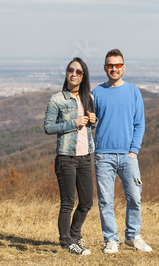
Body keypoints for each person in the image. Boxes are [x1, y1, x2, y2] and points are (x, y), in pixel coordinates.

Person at [92, 49, 152, 253]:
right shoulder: (97, 92)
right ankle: (110, 240)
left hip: (128, 155)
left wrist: (133, 151)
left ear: (124, 67)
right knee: (105, 200)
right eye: (110, 65)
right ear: (105, 68)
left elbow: (139, 123)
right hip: (103, 155)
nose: (114, 69)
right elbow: (90, 121)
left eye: (118, 65)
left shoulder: (134, 91)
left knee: (135, 197)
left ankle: (133, 236)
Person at [44, 57, 97, 256]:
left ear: (83, 77)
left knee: (86, 202)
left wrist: (93, 120)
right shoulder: (57, 99)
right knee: (68, 202)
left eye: (78, 72)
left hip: (85, 157)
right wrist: (73, 123)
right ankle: (67, 243)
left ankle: (75, 235)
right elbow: (48, 128)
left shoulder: (88, 98)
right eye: (70, 70)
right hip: (66, 157)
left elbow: (89, 127)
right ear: (66, 73)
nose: (73, 74)